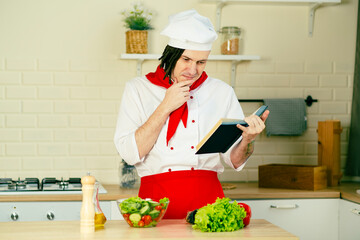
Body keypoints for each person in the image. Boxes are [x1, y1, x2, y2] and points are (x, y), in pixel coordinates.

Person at [114, 9, 269, 219]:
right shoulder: (138, 89)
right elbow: (130, 154)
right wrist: (166, 106)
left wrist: (247, 140)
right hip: (155, 205)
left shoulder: (222, 92)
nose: (193, 70)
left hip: (209, 204)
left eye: (201, 62)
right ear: (171, 54)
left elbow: (234, 160)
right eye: (186, 59)